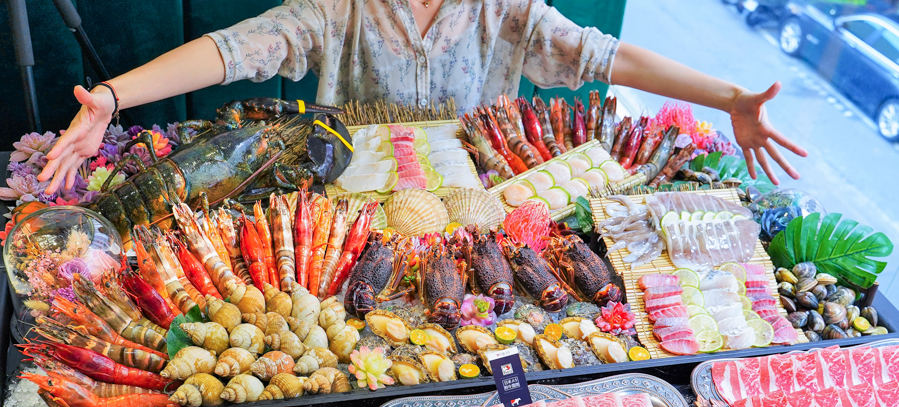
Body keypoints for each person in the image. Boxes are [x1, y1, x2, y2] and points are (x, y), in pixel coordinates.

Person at [38, 0, 807, 195]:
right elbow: (236, 48)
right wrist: (112, 94)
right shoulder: (342, 10)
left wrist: (729, 94)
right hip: (349, 198)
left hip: (472, 200)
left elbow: (609, 56)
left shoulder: (504, 12)